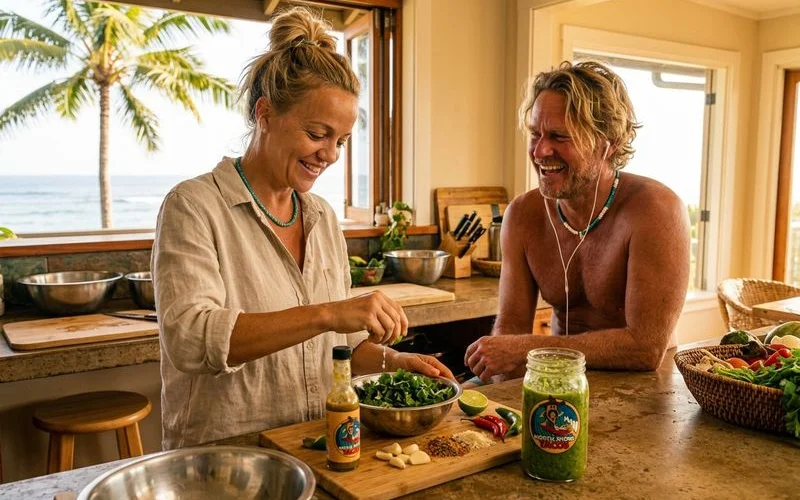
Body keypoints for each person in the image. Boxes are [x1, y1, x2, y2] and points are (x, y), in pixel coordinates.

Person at [152, 7, 453, 450]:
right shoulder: (194, 207)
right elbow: (192, 339)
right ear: (266, 114)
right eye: (317, 133)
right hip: (227, 459)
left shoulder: (322, 218)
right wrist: (326, 313)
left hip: (314, 448)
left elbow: (343, 349)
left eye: (341, 141)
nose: (329, 154)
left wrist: (395, 360)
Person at [465, 61, 690, 382]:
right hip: (556, 377)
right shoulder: (522, 215)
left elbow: (645, 348)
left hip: (643, 389)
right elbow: (509, 335)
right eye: (535, 134)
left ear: (607, 142)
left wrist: (528, 350)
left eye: (559, 136)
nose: (541, 151)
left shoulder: (656, 209)